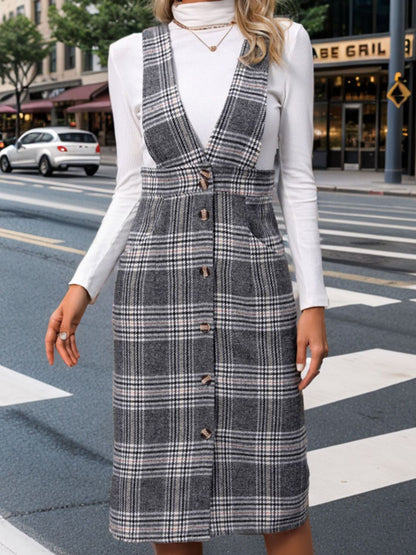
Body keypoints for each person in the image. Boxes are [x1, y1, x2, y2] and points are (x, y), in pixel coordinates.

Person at [45, 0, 329, 553]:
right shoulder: (129, 53)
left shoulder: (284, 40)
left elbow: (296, 180)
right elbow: (131, 188)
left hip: (256, 290)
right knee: (165, 503)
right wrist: (83, 286)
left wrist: (313, 301)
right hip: (154, 296)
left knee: (278, 488)